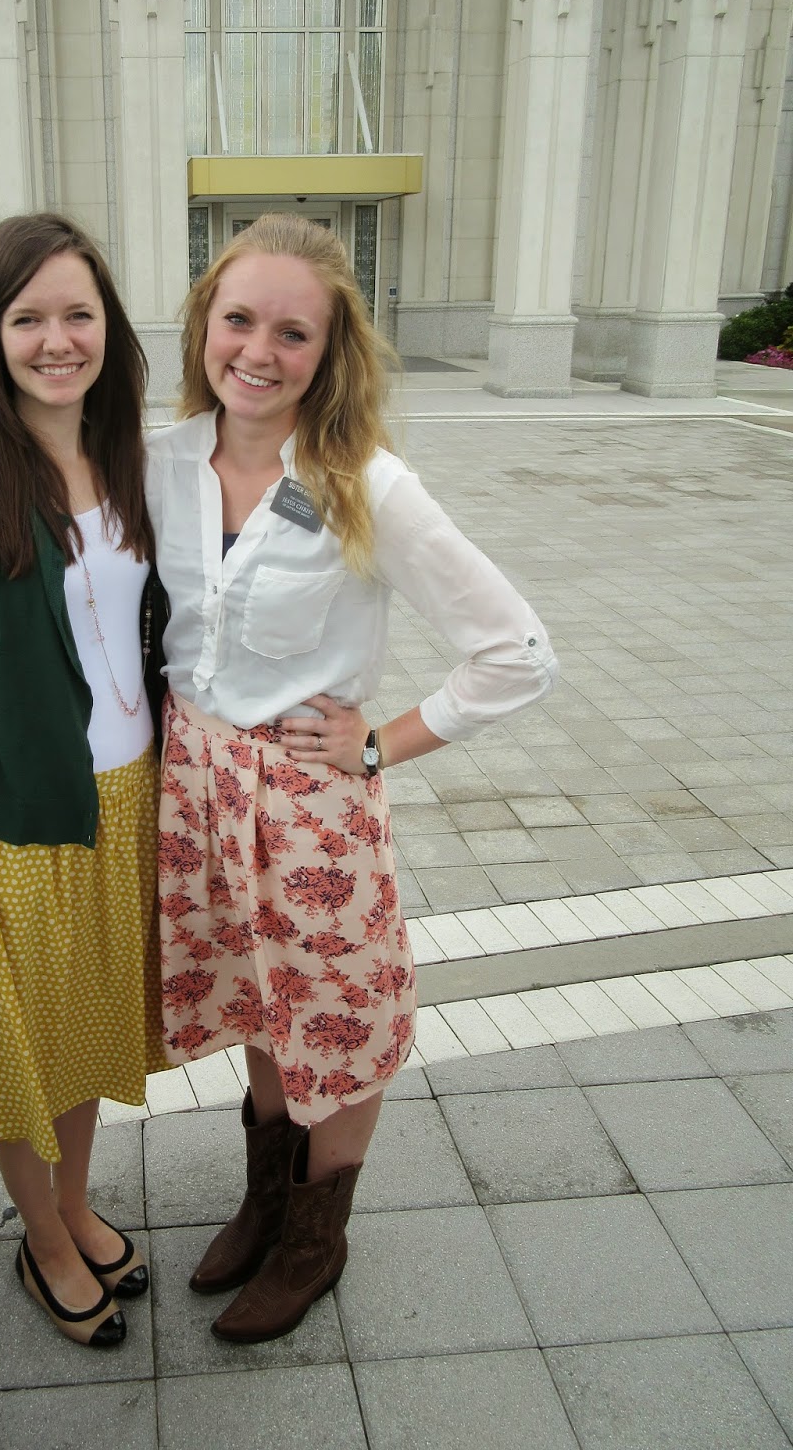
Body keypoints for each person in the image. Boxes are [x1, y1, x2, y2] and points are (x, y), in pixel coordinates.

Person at [147, 213, 558, 1344]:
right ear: (205, 324)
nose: (258, 352)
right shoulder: (161, 463)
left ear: (329, 353)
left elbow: (518, 652)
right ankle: (266, 1203)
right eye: (239, 319)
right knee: (260, 1002)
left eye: (293, 333)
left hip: (307, 809)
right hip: (198, 791)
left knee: (336, 1018)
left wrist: (381, 743)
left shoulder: (363, 483)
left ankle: (316, 1241)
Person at [0, 212, 168, 1350]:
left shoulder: (133, 464)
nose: (58, 340)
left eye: (78, 314)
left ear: (109, 326)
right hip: (18, 823)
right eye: (28, 318)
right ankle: (44, 1238)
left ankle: (75, 1203)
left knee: (90, 1023)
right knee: (21, 1044)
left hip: (130, 799)